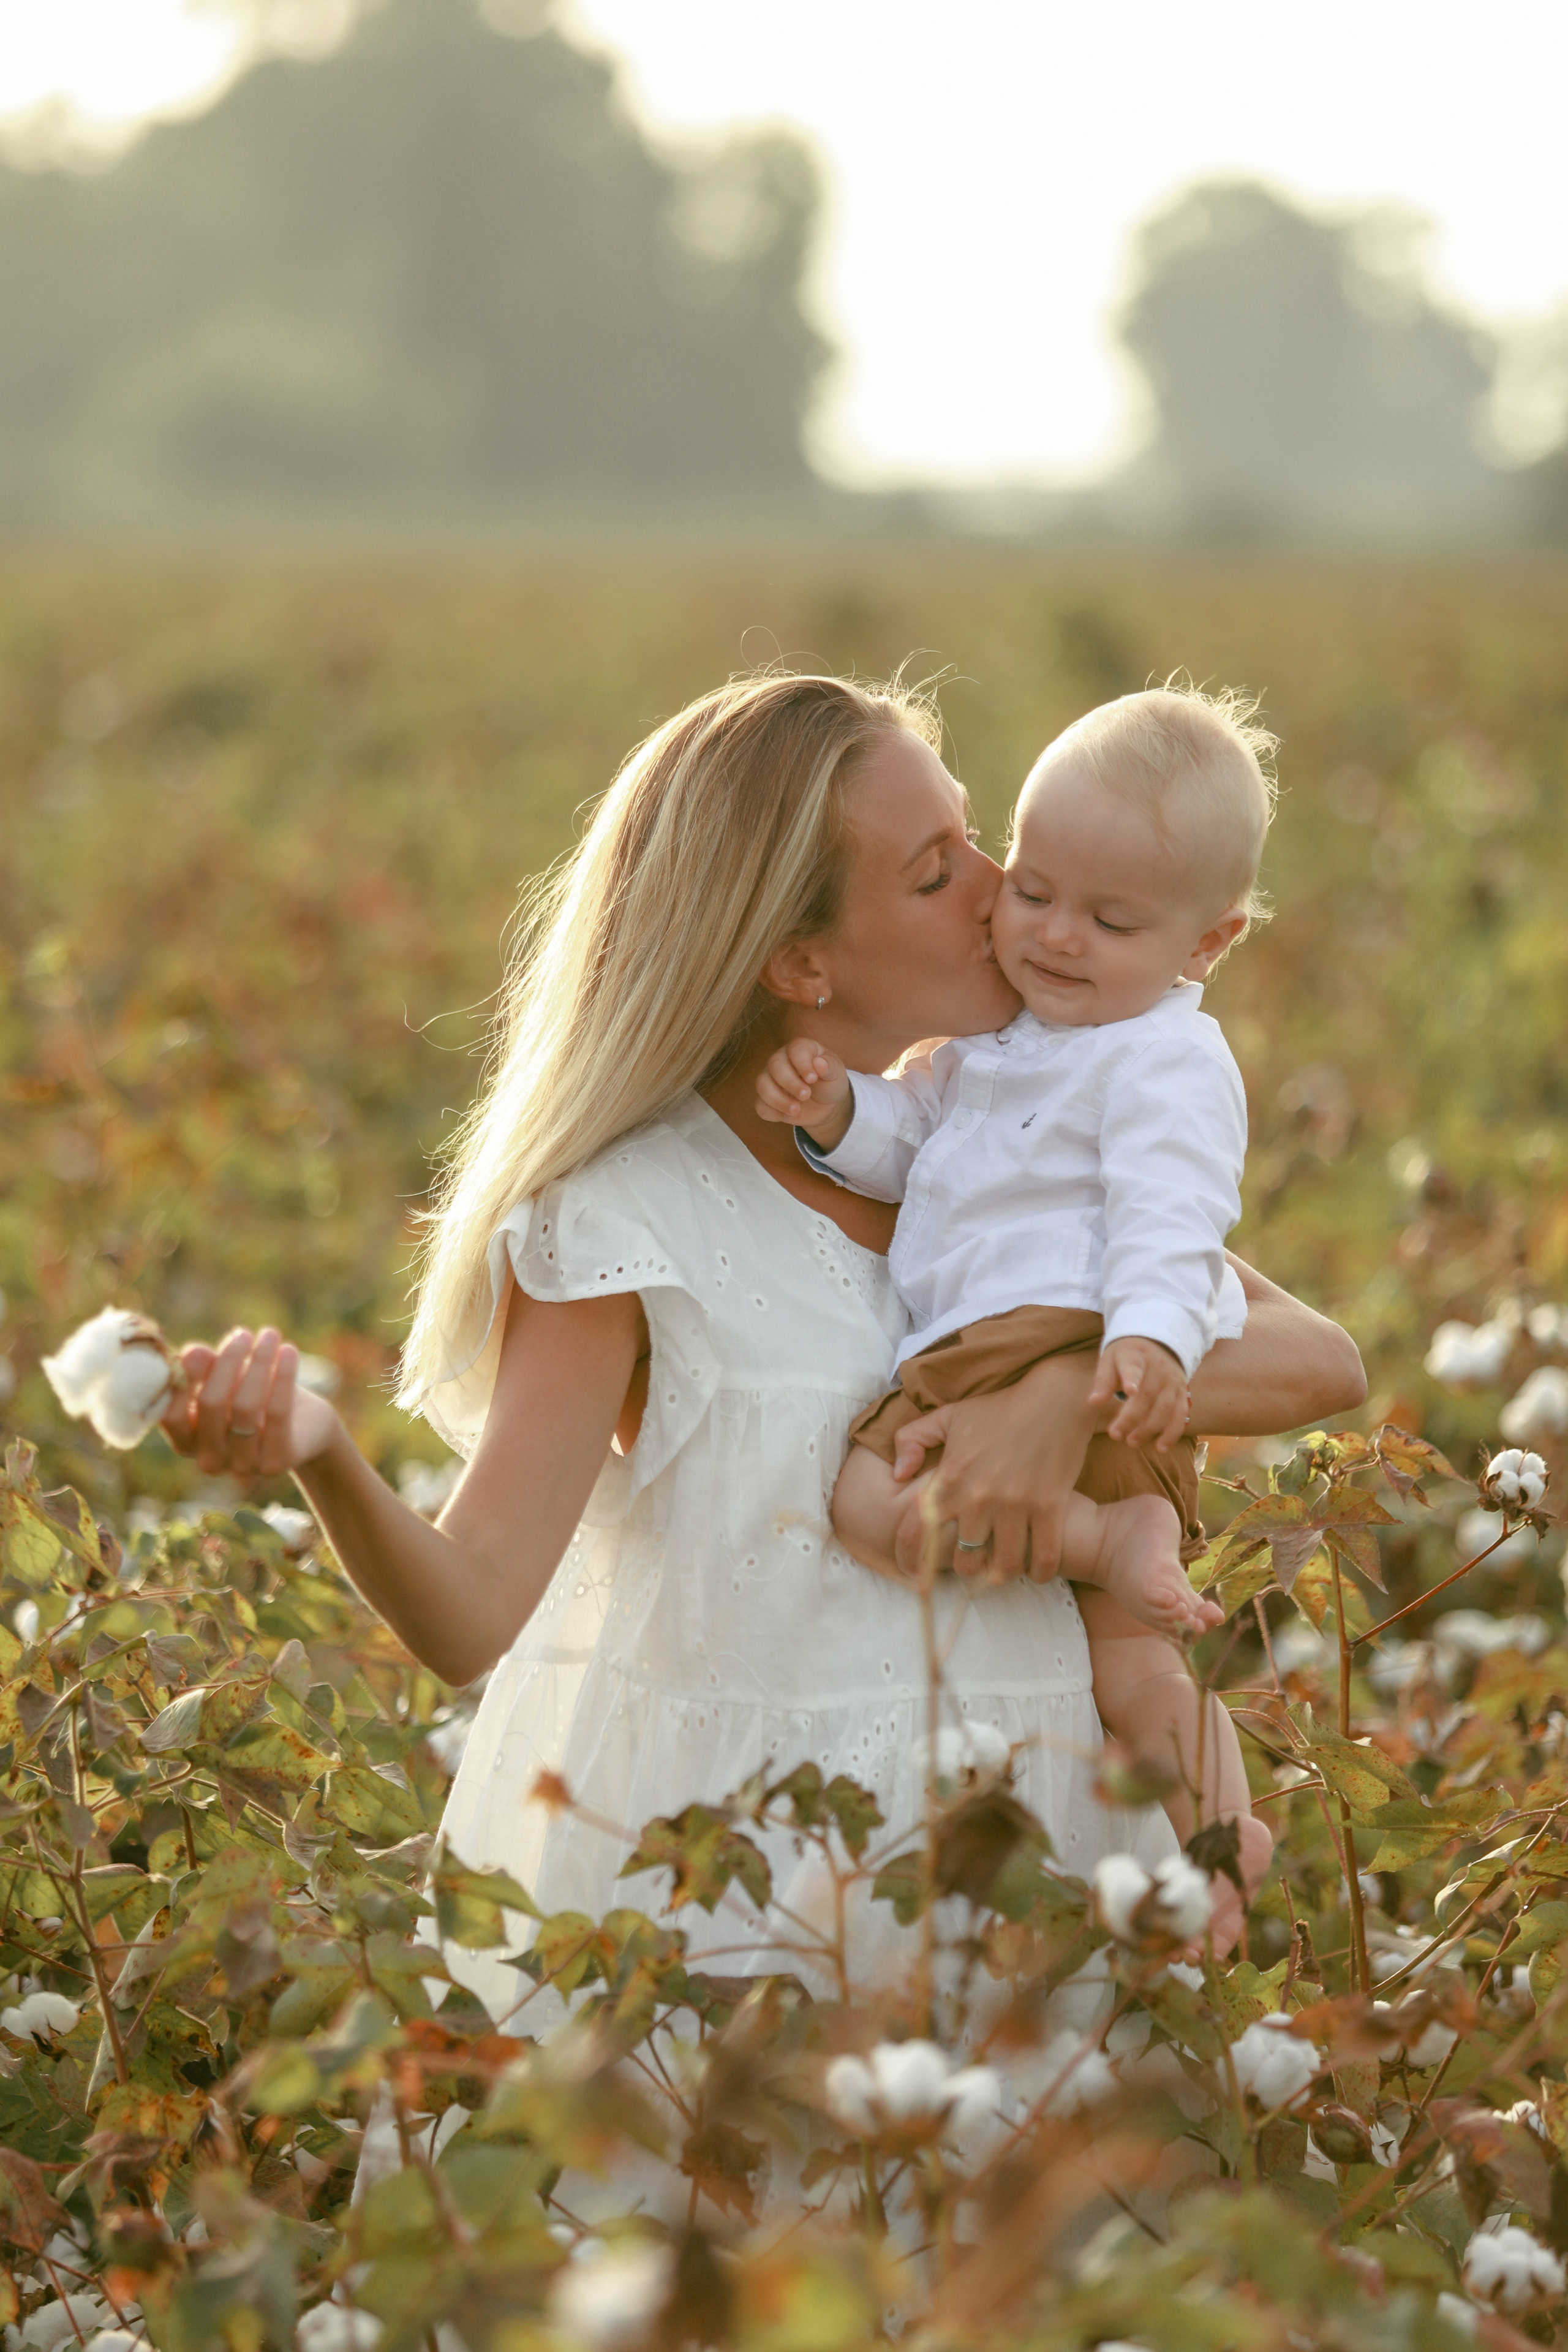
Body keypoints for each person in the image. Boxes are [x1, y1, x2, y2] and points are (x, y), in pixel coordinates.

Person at [159, 670, 1365, 2014]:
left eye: (976, 837)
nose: (998, 888)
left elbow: (1320, 1360)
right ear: (799, 961)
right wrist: (322, 1453)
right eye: (934, 872)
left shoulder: (994, 1154)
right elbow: (468, 1611)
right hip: (752, 1904)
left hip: (1040, 1858)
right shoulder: (630, 1218)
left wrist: (1055, 1403)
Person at [755, 684, 1280, 1932]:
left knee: (870, 1506)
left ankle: (1217, 1825)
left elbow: (1173, 1213)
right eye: (1031, 890)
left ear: (1206, 944)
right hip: (970, 1362)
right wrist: (836, 1112)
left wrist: (1146, 1338)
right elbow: (909, 1144)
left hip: (1078, 1346)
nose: (1048, 936)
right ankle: (1217, 1833)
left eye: (1108, 920)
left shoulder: (1158, 1059)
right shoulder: (990, 1046)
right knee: (1121, 1662)